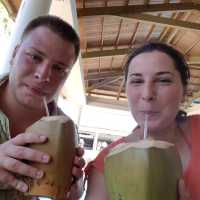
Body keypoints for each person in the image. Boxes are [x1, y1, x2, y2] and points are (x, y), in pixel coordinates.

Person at [84, 42, 199, 200]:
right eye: (137, 81)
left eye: (164, 80)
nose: (147, 94)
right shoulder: (106, 162)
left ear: (184, 90)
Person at [0, 15, 85, 200]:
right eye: (35, 57)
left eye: (58, 68)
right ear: (14, 54)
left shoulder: (68, 132)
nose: (43, 75)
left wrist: (74, 191)